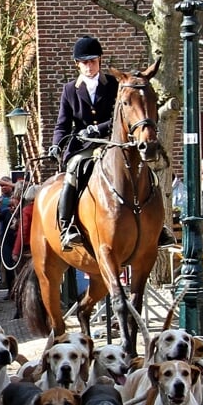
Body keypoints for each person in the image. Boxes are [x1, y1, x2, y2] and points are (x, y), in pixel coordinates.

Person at [50, 34, 119, 250]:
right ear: (77, 64)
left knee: (142, 166)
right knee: (72, 171)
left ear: (99, 60)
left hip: (111, 142)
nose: (89, 66)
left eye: (93, 61)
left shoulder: (113, 84)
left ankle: (158, 227)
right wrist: (56, 143)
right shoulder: (70, 89)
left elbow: (120, 115)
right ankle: (67, 226)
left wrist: (99, 128)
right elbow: (63, 123)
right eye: (85, 62)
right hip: (85, 146)